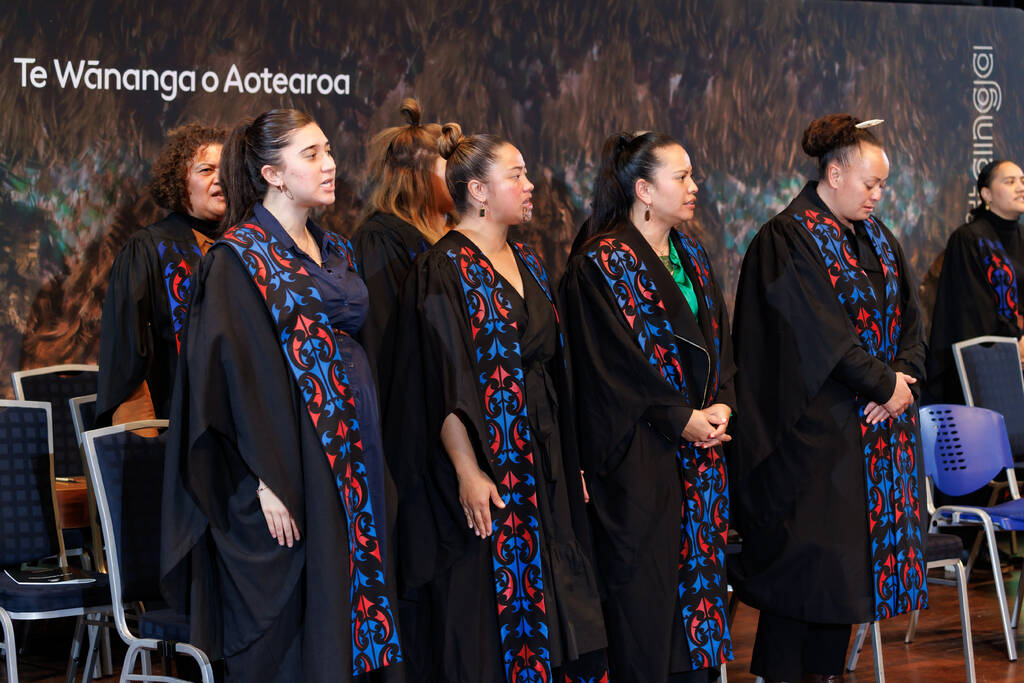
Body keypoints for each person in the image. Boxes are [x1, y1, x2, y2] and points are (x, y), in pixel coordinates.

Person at [160, 109, 402, 682]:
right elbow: (231, 377)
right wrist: (265, 478)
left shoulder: (335, 247)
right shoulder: (239, 257)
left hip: (353, 450)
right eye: (311, 154)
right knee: (304, 620)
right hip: (288, 463)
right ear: (272, 173)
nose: (329, 163)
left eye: (328, 150)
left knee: (358, 594)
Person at [386, 124, 606, 682]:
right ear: (478, 191)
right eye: (517, 175)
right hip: (486, 465)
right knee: (488, 607)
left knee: (557, 594)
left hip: (544, 457)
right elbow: (442, 382)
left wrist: (572, 459)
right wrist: (467, 470)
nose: (530, 185)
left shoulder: (528, 261)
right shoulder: (441, 269)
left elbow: (557, 368)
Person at [729, 114, 928, 682]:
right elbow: (821, 336)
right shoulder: (788, 238)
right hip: (812, 443)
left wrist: (903, 380)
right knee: (807, 576)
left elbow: (912, 321)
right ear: (834, 174)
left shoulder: (878, 238)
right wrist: (885, 385)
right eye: (870, 183)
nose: (877, 195)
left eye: (883, 185)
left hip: (870, 436)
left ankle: (827, 674)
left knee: (842, 580)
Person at [561, 131, 734, 682]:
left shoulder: (691, 253)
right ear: (643, 190)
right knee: (645, 603)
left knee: (698, 597)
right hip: (639, 458)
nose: (694, 186)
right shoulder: (599, 263)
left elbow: (721, 341)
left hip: (702, 453)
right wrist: (679, 418)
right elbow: (609, 368)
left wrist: (722, 404)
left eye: (692, 175)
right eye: (681, 177)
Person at [96, 123, 225, 427]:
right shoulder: (148, 249)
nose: (221, 179)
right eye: (206, 170)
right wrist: (145, 440)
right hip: (176, 427)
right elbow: (127, 362)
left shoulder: (248, 246)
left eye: (228, 170)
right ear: (180, 182)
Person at [351, 98, 454, 385]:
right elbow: (380, 343)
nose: (463, 178)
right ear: (418, 176)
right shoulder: (380, 241)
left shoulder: (458, 235)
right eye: (451, 168)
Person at [926, 159, 1024, 403]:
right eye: (1009, 181)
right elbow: (973, 310)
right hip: (989, 368)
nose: (1020, 187)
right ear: (986, 194)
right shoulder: (969, 239)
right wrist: (1015, 341)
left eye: (1022, 181)